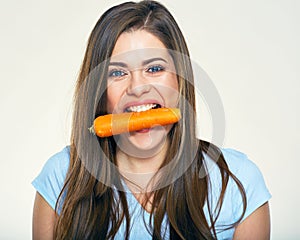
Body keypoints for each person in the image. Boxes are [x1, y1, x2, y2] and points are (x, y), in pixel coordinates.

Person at [32, 1, 271, 239]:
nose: (137, 88)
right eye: (117, 72)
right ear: (99, 93)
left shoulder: (239, 183)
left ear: (180, 81)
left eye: (155, 68)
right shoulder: (61, 177)